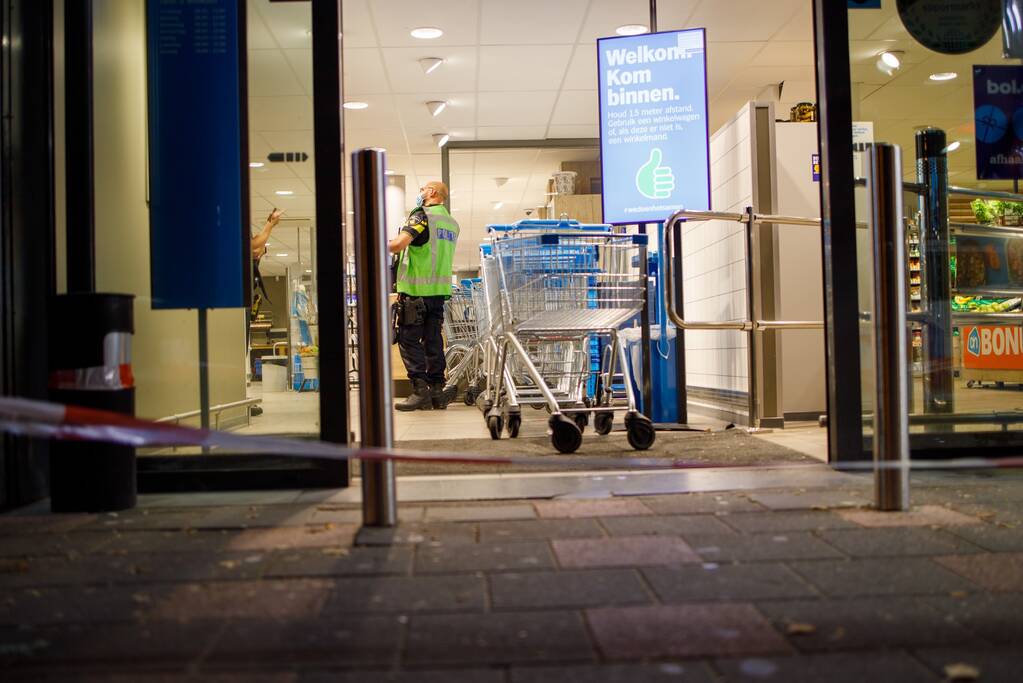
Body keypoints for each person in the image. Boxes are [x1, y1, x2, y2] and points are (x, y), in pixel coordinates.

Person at [388, 181, 459, 411]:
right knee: (433, 340)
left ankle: (420, 391)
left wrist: (381, 243)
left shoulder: (422, 216)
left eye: (423, 189)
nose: (420, 192)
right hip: (438, 293)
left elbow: (398, 245)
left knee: (408, 340)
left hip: (417, 292)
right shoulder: (451, 223)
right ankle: (437, 392)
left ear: (432, 192)